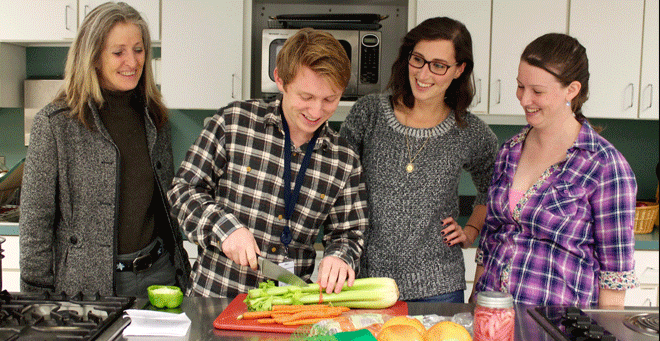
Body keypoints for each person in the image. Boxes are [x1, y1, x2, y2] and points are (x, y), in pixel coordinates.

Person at [167, 27, 368, 298]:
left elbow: (349, 233)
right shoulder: (234, 122)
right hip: (215, 300)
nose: (317, 111)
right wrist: (224, 228)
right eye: (306, 97)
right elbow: (183, 191)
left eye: (330, 99)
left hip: (288, 310)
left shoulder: (344, 160)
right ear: (280, 80)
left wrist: (341, 257)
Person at [19, 2, 190, 298]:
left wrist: (181, 268)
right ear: (94, 57)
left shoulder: (154, 117)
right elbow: (36, 222)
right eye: (118, 52)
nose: (132, 61)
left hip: (160, 275)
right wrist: (36, 298)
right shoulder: (56, 124)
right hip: (89, 287)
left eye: (138, 49)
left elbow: (166, 206)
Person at [472, 33, 638, 308]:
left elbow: (614, 277)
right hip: (493, 319)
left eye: (537, 91)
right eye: (520, 86)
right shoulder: (509, 151)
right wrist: (473, 306)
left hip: (558, 327)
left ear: (571, 90)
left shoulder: (605, 166)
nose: (525, 99)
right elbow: (490, 241)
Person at [339, 17, 498, 303]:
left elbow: (496, 185)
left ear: (459, 70)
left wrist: (472, 229)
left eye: (439, 65)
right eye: (418, 60)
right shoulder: (370, 112)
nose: (424, 74)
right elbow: (337, 180)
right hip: (367, 283)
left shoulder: (469, 131)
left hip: (439, 286)